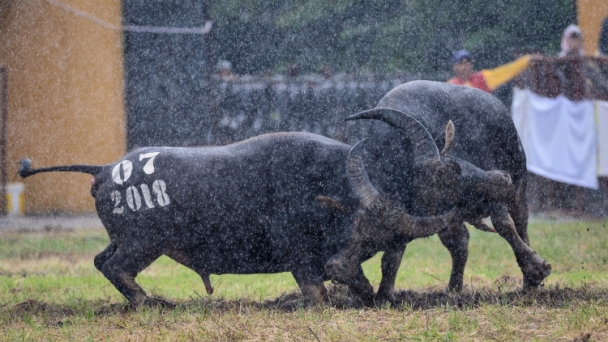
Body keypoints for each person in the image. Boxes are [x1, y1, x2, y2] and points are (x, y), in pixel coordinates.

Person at [447, 50, 532, 93]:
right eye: (461, 63)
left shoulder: (483, 77)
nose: (464, 66)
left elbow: (506, 71)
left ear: (471, 64)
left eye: (467, 63)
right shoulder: (450, 85)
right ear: (454, 67)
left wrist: (525, 61)